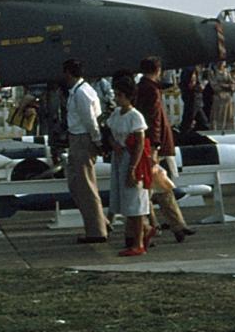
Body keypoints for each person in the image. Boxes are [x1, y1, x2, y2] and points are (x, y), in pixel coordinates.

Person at [136, 57, 194, 244]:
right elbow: (154, 119)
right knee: (155, 187)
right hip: (152, 145)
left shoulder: (142, 88)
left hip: (145, 143)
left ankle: (170, 225)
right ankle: (164, 226)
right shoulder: (152, 90)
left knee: (158, 185)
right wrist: (155, 144)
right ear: (158, 69)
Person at [106, 76, 151, 257]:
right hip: (119, 156)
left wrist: (132, 168)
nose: (116, 98)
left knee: (134, 200)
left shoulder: (135, 116)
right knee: (124, 199)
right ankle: (143, 232)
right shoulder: (116, 114)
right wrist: (114, 144)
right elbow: (109, 133)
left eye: (119, 95)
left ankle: (138, 242)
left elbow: (140, 144)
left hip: (132, 158)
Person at [62, 59, 107, 243]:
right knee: (76, 184)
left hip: (82, 139)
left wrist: (97, 141)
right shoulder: (82, 90)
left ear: (68, 73)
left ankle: (97, 231)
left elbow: (90, 120)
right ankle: (101, 222)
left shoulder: (81, 93)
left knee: (86, 186)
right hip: (78, 138)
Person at [178, 66, 209, 132]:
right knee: (188, 121)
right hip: (193, 101)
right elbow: (189, 86)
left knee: (203, 122)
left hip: (197, 101)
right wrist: (198, 88)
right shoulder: (189, 72)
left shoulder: (194, 72)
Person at [210, 63, 235, 131]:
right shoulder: (213, 72)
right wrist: (225, 86)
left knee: (229, 116)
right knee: (218, 116)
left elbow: (232, 83)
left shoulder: (227, 71)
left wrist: (231, 86)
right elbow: (214, 86)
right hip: (219, 98)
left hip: (228, 98)